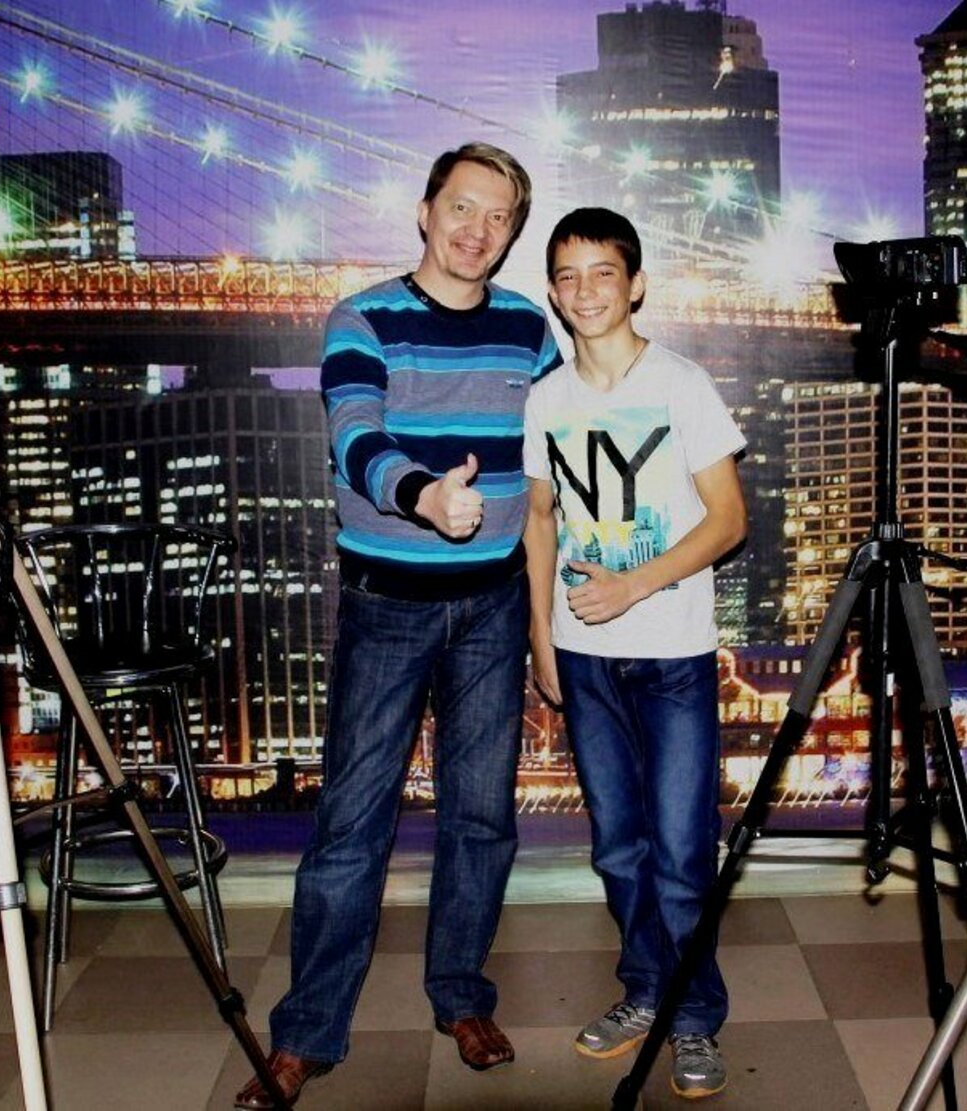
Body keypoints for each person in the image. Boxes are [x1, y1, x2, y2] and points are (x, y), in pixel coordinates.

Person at [236, 142, 562, 1110]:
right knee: (351, 823)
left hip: (495, 604)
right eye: (461, 207)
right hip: (387, 604)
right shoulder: (362, 317)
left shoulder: (528, 327)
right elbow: (354, 435)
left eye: (498, 216)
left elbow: (575, 434)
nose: (476, 230)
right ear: (424, 211)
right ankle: (305, 1033)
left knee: (482, 817)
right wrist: (423, 495)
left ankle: (461, 996)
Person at [522, 207, 747, 1100]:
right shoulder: (546, 398)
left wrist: (635, 584)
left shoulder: (682, 383)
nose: (585, 291)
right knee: (618, 848)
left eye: (603, 272)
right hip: (583, 655)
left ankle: (695, 1016)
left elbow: (729, 520)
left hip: (674, 655)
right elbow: (540, 521)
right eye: (567, 276)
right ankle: (647, 989)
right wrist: (542, 635)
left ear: (637, 283)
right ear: (552, 293)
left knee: (683, 852)